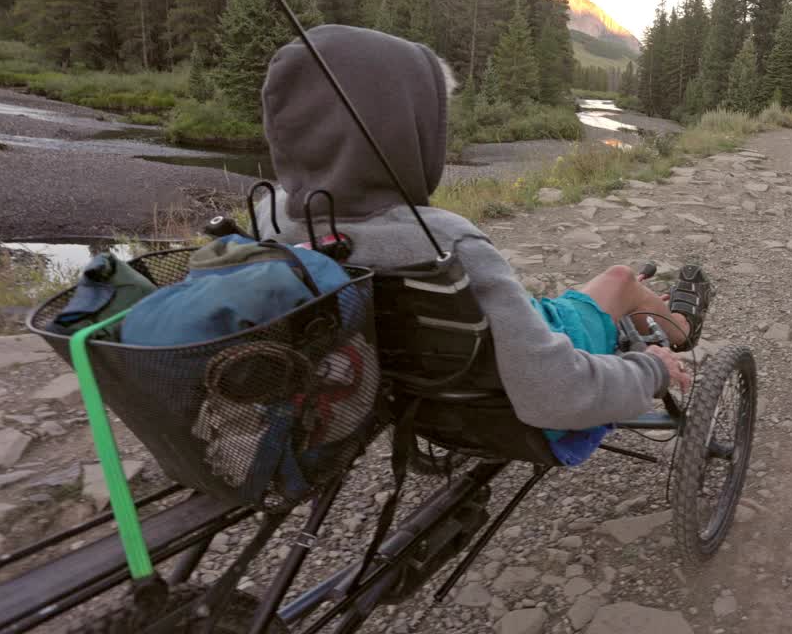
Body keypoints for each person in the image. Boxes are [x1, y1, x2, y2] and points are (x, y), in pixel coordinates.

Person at [253, 24, 712, 464]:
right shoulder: (443, 241)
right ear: (403, 130)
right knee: (619, 280)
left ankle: (662, 314)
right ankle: (677, 330)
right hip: (511, 392)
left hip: (413, 386)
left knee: (588, 291)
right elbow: (554, 391)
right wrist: (650, 372)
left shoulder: (271, 222)